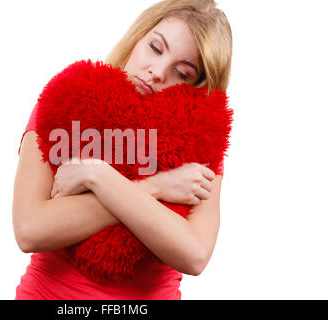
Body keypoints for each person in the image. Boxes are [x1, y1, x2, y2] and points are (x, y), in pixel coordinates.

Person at [13, 0, 232, 300]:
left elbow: (194, 255)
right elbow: (29, 229)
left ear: (197, 87)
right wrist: (157, 187)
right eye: (155, 48)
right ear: (137, 37)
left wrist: (96, 176)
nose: (156, 72)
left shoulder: (200, 146)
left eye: (181, 73)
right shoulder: (66, 105)